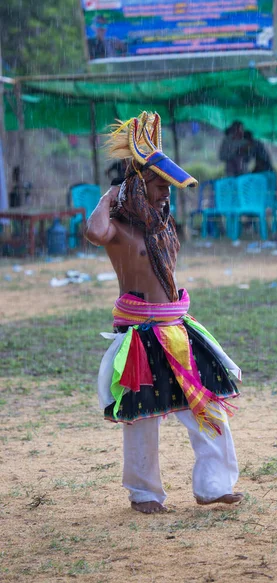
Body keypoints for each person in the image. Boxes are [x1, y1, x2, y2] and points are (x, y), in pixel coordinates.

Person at [85, 111, 243, 514]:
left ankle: (214, 485)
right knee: (143, 417)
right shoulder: (120, 229)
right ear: (137, 185)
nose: (166, 193)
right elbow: (93, 233)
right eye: (159, 185)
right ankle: (144, 494)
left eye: (169, 186)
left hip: (176, 327)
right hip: (139, 333)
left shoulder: (164, 226)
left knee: (207, 406)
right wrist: (111, 194)